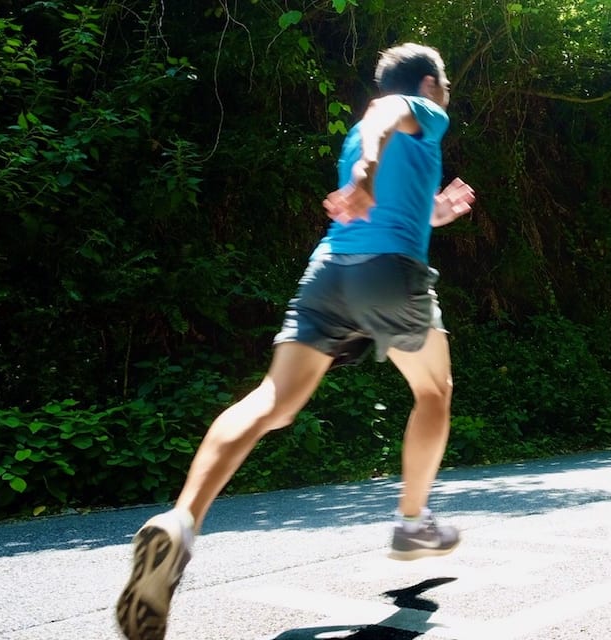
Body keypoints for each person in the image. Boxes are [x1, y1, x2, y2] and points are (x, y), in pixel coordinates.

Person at [115, 42, 475, 640]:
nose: (447, 95)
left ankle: (180, 523)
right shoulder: (415, 110)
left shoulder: (362, 132)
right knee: (435, 390)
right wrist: (364, 177)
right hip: (391, 275)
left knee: (272, 403)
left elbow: (389, 181)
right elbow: (387, 117)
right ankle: (413, 521)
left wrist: (434, 211)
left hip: (330, 271)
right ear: (429, 84)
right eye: (444, 84)